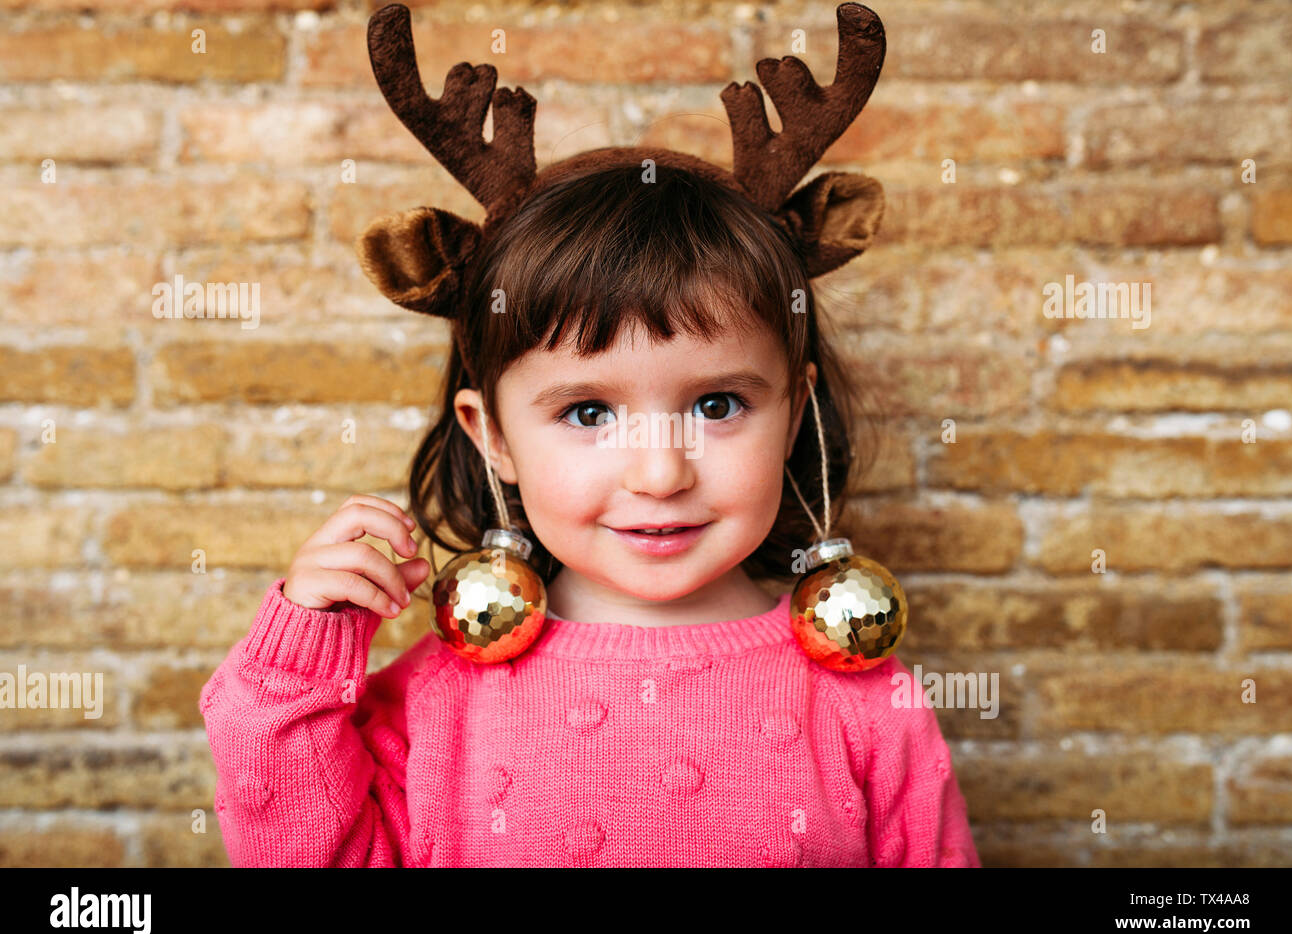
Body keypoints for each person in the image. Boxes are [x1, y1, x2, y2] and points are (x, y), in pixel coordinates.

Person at [200, 1, 981, 867]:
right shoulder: (434, 703)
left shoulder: (869, 703)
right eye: (588, 412)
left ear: (793, 412)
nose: (658, 473)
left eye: (717, 405)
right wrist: (297, 668)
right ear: (490, 432)